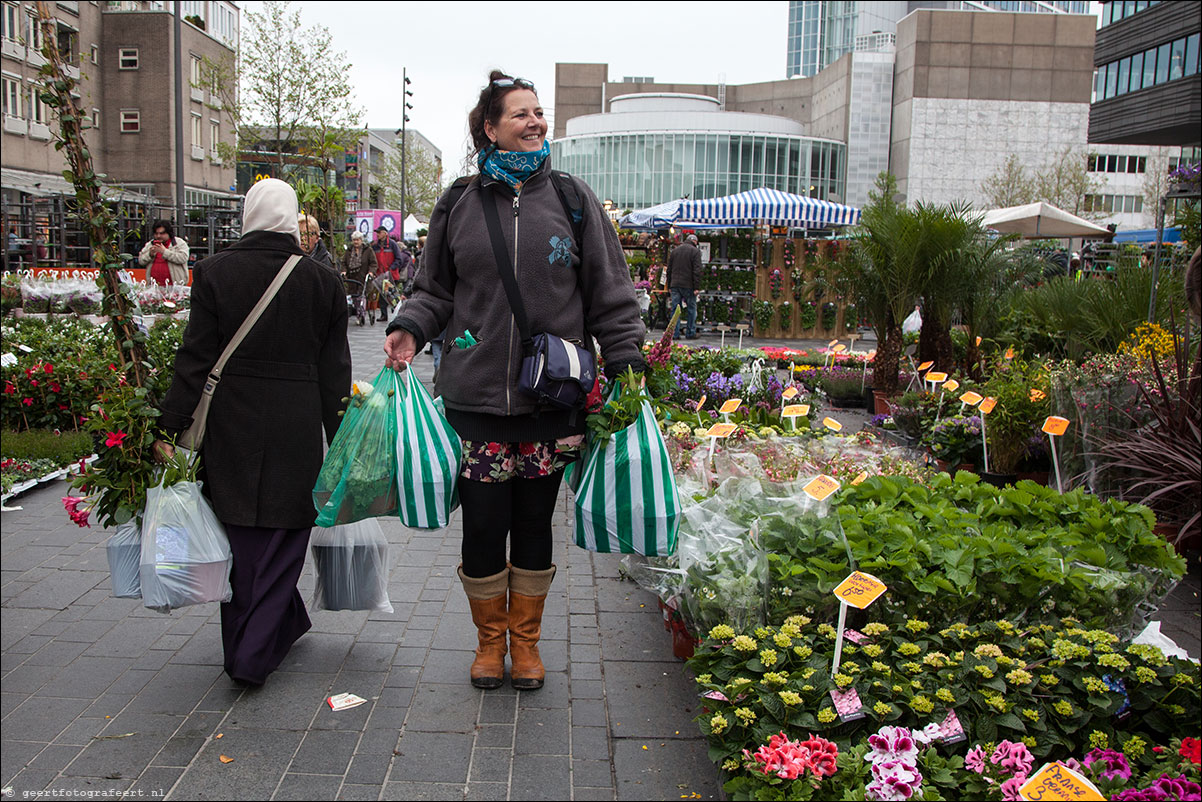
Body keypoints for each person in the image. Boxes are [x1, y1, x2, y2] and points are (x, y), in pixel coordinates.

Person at [383, 70, 645, 692]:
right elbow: (434, 290)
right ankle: (487, 644)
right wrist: (409, 330)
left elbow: (611, 293)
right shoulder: (459, 203)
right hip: (474, 398)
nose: (535, 122)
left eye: (538, 113)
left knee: (532, 527)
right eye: (520, 114)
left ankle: (525, 646)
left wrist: (627, 363)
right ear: (489, 128)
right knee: (481, 528)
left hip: (551, 400)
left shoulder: (574, 200)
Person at [153, 178, 352, 687]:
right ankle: (252, 656)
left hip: (233, 424)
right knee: (286, 541)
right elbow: (335, 374)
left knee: (241, 544)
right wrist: (343, 441)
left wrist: (169, 426)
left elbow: (195, 358)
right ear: (290, 219)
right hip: (296, 424)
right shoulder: (324, 282)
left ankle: (252, 642)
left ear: (248, 215)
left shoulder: (214, 273)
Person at [666, 233, 703, 339]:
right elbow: (697, 270)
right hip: (689, 285)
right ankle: (690, 332)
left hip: (675, 284)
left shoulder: (675, 251)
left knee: (675, 309)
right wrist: (696, 287)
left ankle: (674, 333)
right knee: (691, 308)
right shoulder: (695, 252)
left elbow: (669, 269)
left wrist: (669, 284)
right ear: (695, 242)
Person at [370, 226, 406, 323]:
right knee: (382, 296)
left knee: (393, 295)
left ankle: (397, 313)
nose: (377, 234)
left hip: (391, 275)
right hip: (380, 275)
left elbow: (399, 259)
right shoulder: (375, 246)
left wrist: (391, 268)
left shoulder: (393, 244)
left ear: (385, 233)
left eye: (379, 232)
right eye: (377, 232)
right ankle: (384, 315)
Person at [137, 220, 190, 286]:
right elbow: (141, 261)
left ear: (169, 233)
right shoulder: (150, 244)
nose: (158, 236)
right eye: (156, 233)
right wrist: (150, 255)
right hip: (154, 287)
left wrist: (164, 252)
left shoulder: (179, 243)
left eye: (162, 233)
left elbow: (183, 258)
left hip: (175, 287)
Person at [341, 231, 375, 326]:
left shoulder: (368, 250)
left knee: (362, 296)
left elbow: (373, 263)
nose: (356, 242)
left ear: (361, 240)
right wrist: (344, 271)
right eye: (354, 240)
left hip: (363, 276)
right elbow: (343, 263)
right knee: (354, 297)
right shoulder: (348, 251)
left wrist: (371, 272)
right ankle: (357, 313)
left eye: (358, 240)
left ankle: (361, 315)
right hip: (352, 277)